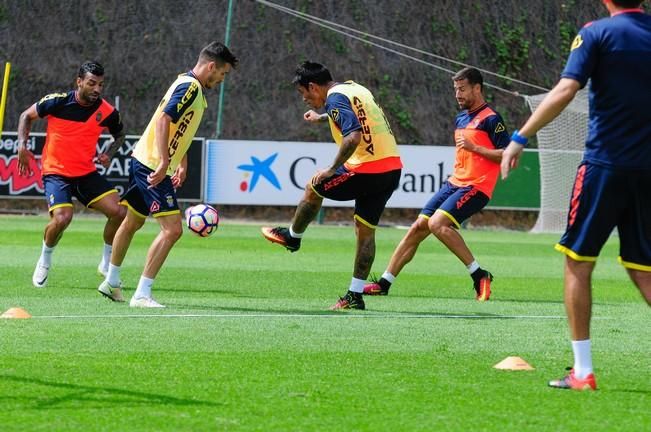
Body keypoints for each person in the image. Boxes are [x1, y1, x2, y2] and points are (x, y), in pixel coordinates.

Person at [501, 0, 651, 391]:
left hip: (604, 165)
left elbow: (567, 89)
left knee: (578, 262)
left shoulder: (596, 32)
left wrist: (519, 137)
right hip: (648, 171)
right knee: (644, 271)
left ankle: (582, 371)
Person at [97, 42, 238, 307]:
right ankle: (142, 294)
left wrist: (180, 161)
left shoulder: (185, 83)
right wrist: (164, 162)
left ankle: (111, 281)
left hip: (144, 160)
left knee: (133, 222)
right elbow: (164, 120)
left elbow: (177, 127)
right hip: (151, 164)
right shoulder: (191, 87)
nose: (222, 79)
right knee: (172, 230)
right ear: (211, 66)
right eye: (223, 73)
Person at [261, 61, 403, 310]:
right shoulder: (355, 89)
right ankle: (355, 295)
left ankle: (293, 237)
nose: (304, 99)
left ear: (313, 87)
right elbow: (356, 116)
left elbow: (353, 136)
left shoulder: (335, 99)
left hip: (365, 169)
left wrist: (330, 169)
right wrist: (322, 118)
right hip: (391, 169)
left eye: (303, 93)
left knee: (314, 184)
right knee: (365, 231)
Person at [364, 67, 508, 302]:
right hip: (454, 182)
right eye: (455, 90)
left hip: (476, 186)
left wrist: (477, 149)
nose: (458, 95)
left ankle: (480, 275)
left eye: (462, 89)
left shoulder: (492, 119)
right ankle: (384, 283)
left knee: (438, 224)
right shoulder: (461, 117)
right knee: (418, 227)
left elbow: (507, 154)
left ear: (477, 88)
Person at [17, 61, 126, 288]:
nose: (97, 89)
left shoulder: (105, 110)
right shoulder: (57, 101)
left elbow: (120, 135)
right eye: (92, 83)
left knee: (119, 212)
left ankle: (106, 262)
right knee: (63, 218)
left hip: (86, 173)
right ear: (79, 82)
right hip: (56, 172)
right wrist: (21, 146)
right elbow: (25, 116)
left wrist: (109, 153)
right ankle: (45, 259)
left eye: (101, 85)